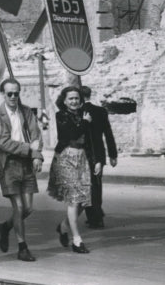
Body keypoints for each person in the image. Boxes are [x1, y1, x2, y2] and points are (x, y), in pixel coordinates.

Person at [0, 78, 43, 262]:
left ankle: (5, 227)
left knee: (28, 208)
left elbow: (36, 135)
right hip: (8, 164)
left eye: (16, 93)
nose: (13, 97)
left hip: (26, 164)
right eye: (9, 93)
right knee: (18, 207)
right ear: (2, 94)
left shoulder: (27, 112)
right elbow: (3, 142)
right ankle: (22, 247)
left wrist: (36, 155)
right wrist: (29, 148)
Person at [47, 86, 94, 254]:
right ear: (65, 101)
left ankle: (63, 226)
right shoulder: (61, 115)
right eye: (71, 98)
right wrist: (85, 122)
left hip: (82, 158)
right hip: (66, 158)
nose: (74, 101)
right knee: (74, 199)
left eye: (76, 98)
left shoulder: (83, 114)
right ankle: (77, 240)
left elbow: (90, 140)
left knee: (84, 200)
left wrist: (96, 160)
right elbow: (70, 135)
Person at [80, 85, 117, 229]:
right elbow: (108, 134)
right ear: (90, 95)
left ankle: (94, 217)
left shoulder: (78, 112)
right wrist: (113, 155)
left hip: (83, 154)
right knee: (96, 185)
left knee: (86, 186)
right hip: (99, 155)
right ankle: (96, 215)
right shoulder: (101, 111)